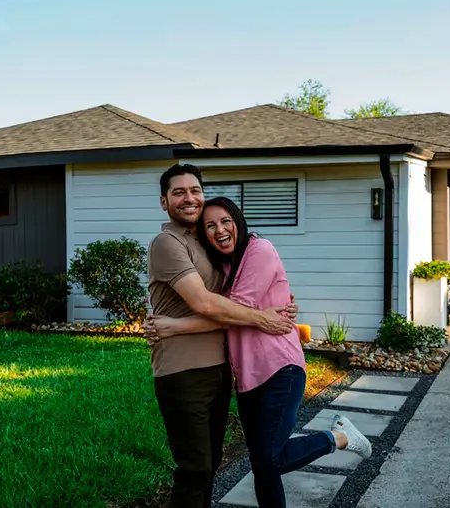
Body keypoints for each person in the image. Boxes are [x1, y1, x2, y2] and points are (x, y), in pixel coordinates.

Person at [146, 196, 372, 508]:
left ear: (238, 221)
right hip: (247, 377)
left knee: (269, 460)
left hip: (280, 369)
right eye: (210, 226)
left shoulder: (259, 250)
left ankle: (339, 438)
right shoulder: (224, 264)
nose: (220, 230)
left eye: (225, 221)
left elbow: (232, 311)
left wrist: (173, 326)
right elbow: (230, 309)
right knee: (263, 467)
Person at [147, 164, 299, 508]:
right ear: (163, 202)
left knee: (211, 465)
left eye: (195, 190)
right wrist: (263, 318)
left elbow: (239, 296)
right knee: (195, 468)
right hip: (181, 371)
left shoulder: (208, 244)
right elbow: (206, 304)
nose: (189, 198)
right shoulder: (167, 243)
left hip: (219, 369)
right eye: (178, 192)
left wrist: (279, 304)